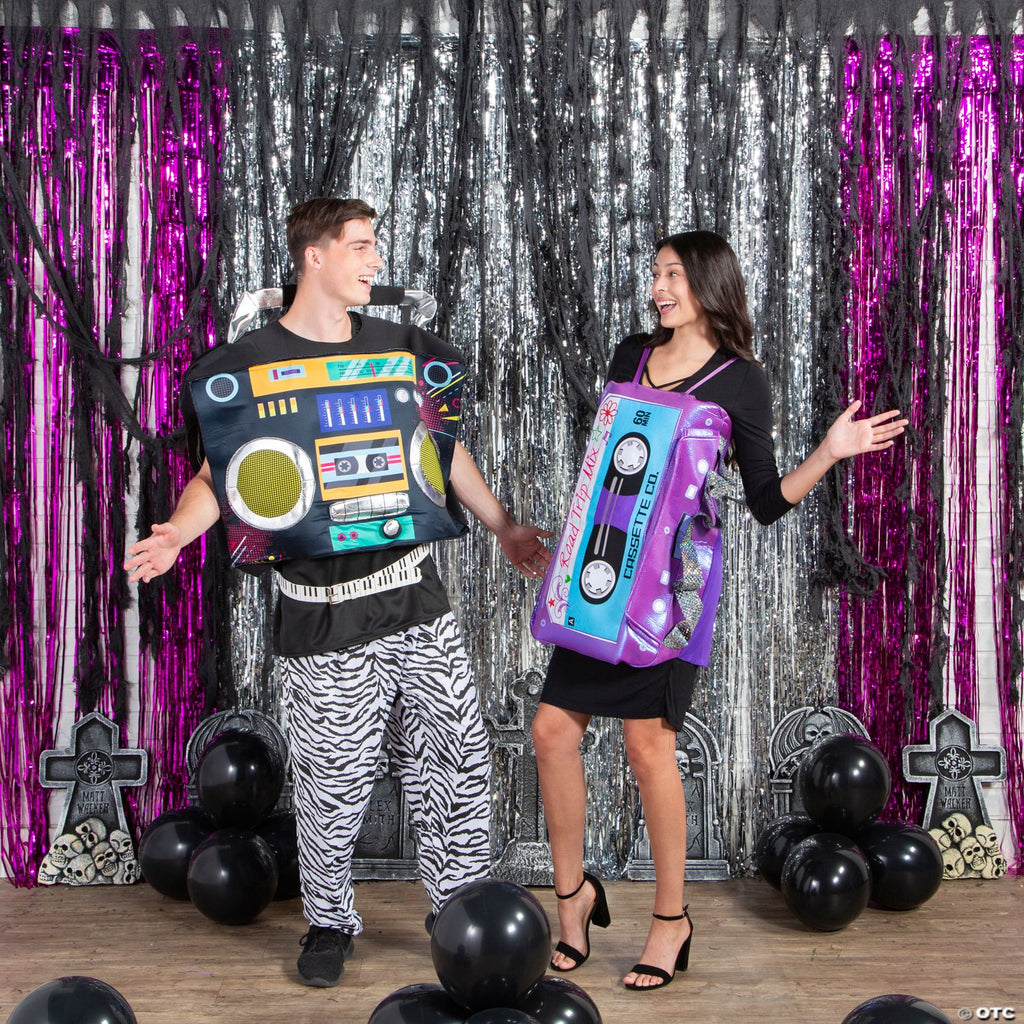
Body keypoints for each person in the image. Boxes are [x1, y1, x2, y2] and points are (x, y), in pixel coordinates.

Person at [125, 197, 552, 987]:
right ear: (313, 257)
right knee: (332, 785)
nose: (375, 259)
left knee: (456, 762)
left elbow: (439, 450)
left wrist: (503, 526)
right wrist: (179, 534)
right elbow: (221, 475)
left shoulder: (399, 351)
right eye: (359, 245)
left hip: (416, 597)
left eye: (374, 245)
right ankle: (329, 920)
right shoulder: (249, 364)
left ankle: (457, 908)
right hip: (321, 614)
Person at [530, 230, 907, 991]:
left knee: (647, 748)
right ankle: (573, 899)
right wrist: (569, 554)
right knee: (551, 731)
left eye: (674, 273)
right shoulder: (631, 354)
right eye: (655, 273)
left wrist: (829, 452)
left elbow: (765, 501)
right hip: (601, 575)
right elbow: (608, 467)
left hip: (673, 593)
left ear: (708, 281)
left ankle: (671, 918)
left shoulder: (742, 380)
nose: (659, 287)